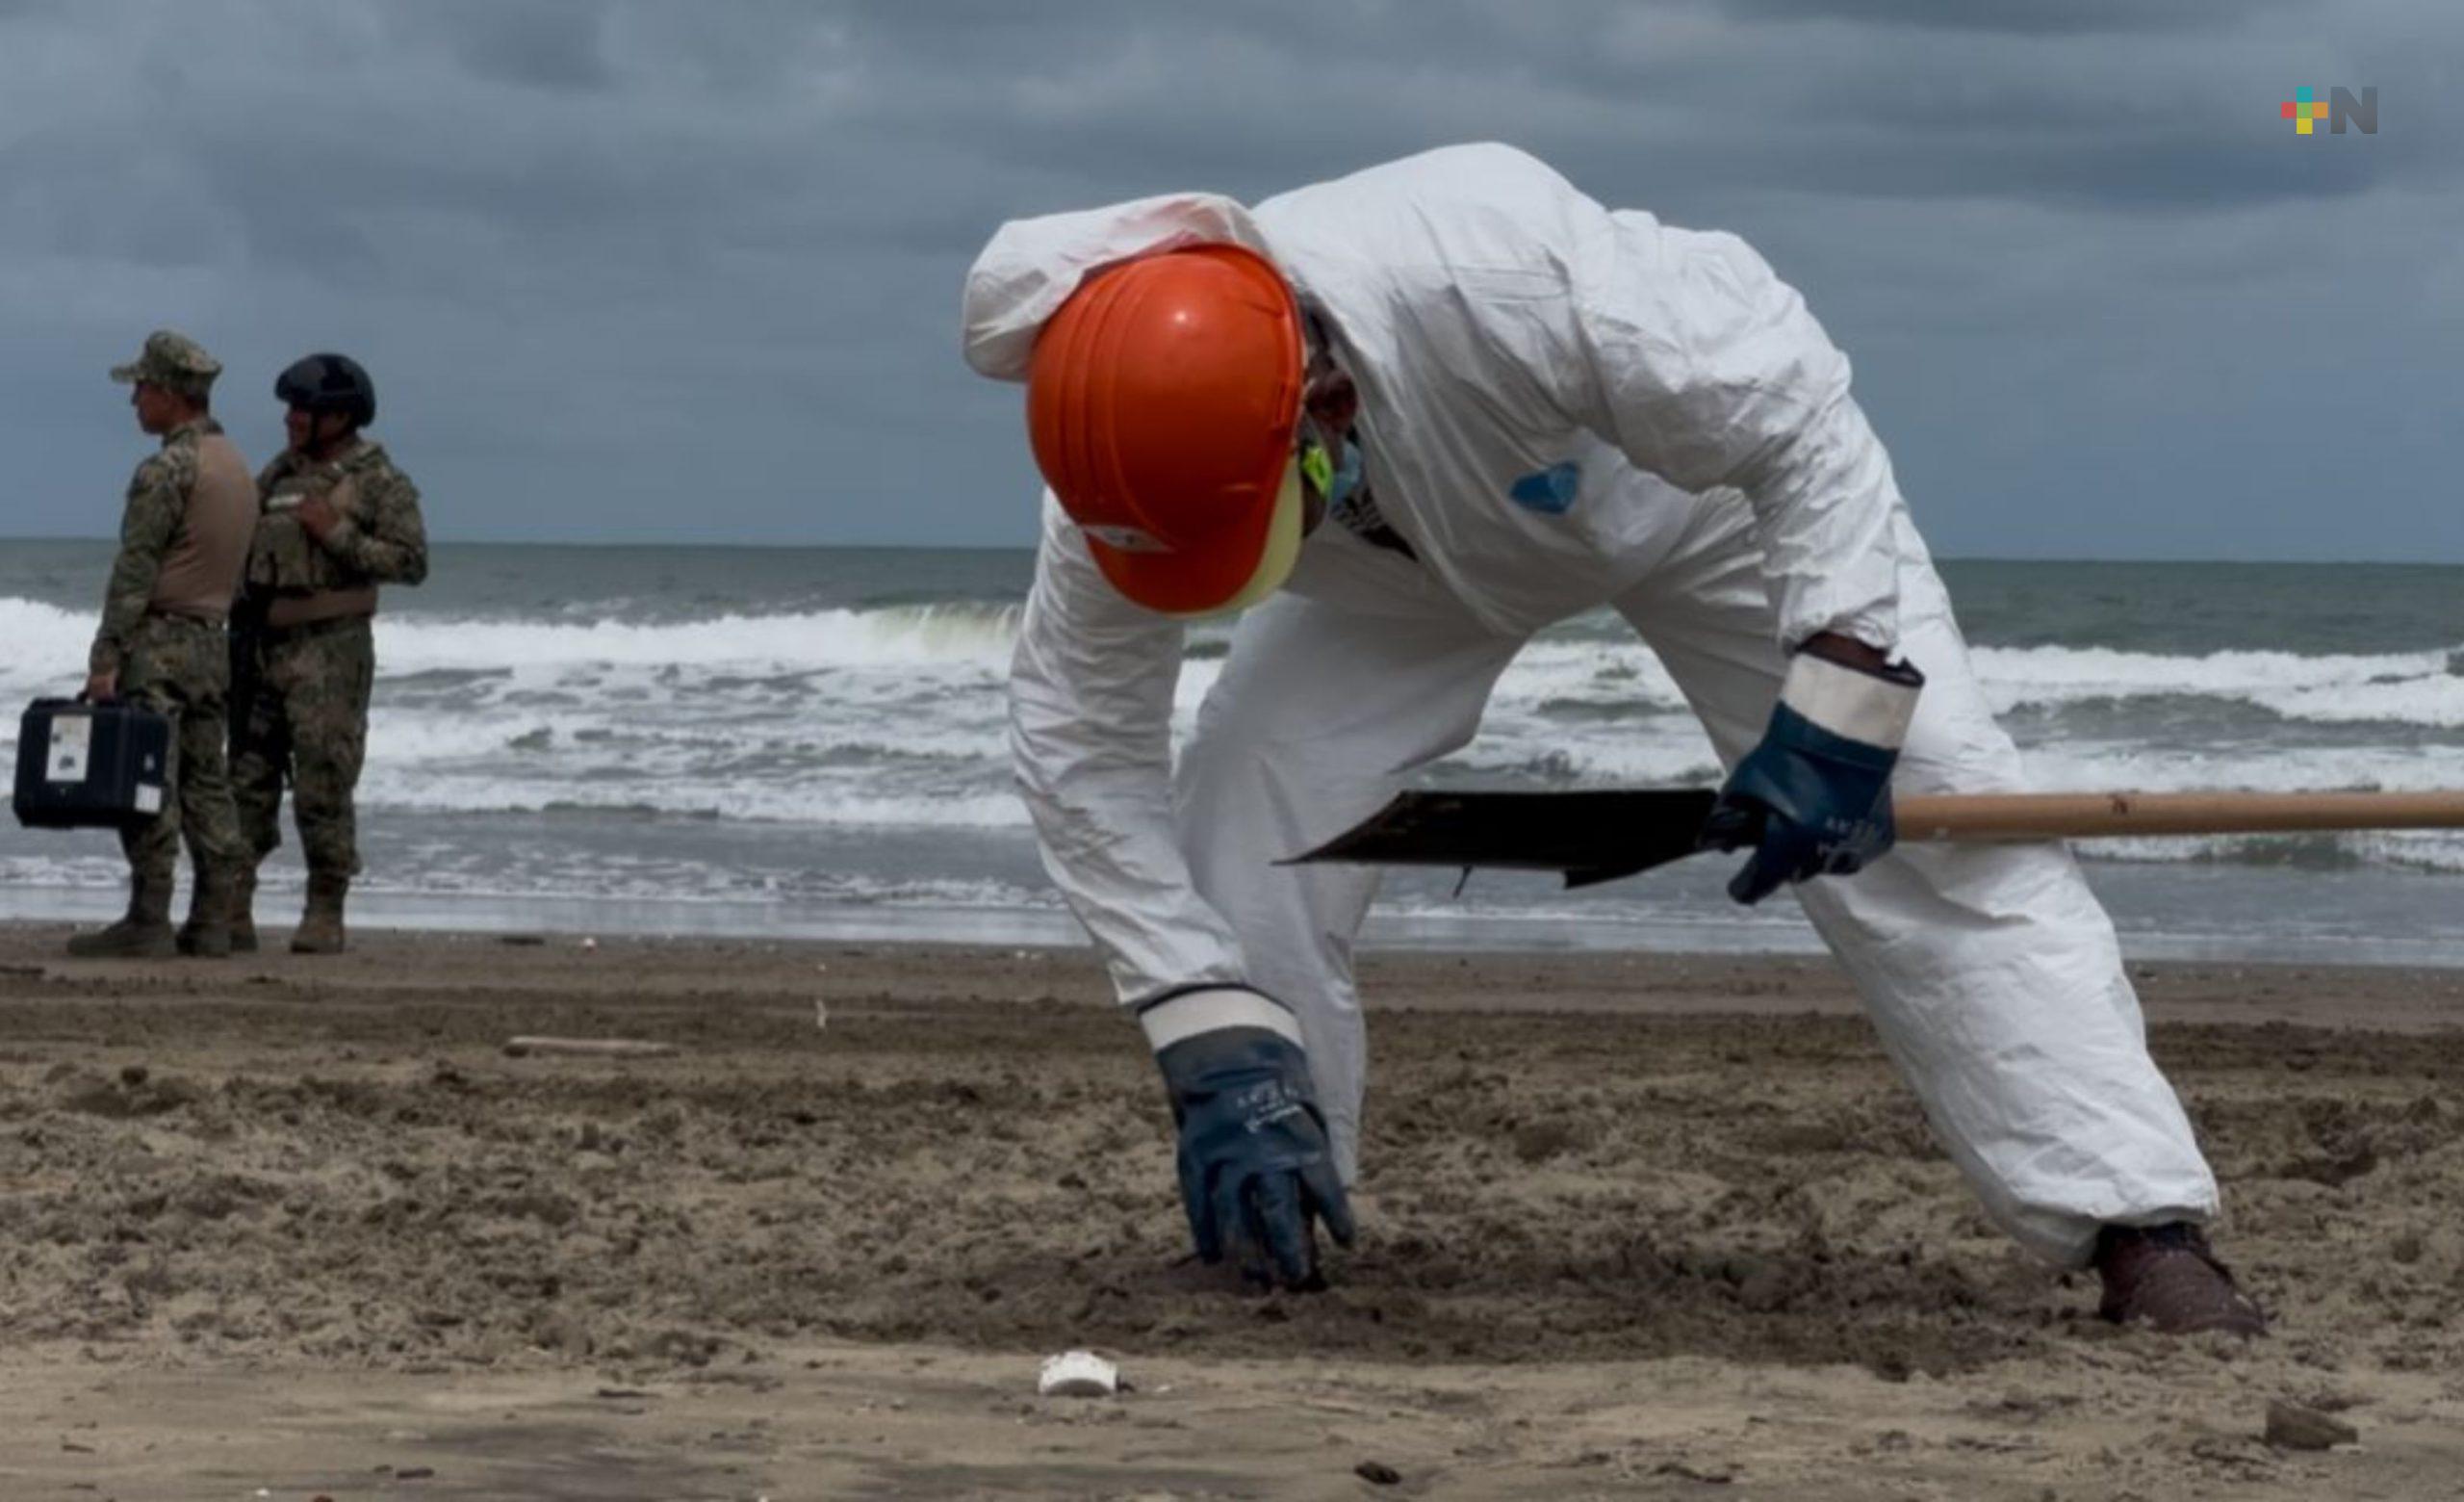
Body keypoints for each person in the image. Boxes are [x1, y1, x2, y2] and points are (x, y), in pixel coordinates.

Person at [961, 143, 2265, 1334]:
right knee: (1245, 810)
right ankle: (1277, 1209)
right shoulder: (1124, 452)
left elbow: (1796, 418)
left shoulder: (1499, 266)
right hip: (1394, 577)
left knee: (1935, 808)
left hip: (1688, 509)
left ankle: (2139, 1226)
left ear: (1328, 401)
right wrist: (1199, 1021)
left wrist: (1844, 702)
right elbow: (1079, 743)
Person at [226, 353, 428, 953]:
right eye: (289, 409)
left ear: (339, 416)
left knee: (322, 782)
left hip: (330, 650)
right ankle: (232, 905)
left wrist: (334, 533)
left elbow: (411, 562)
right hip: (262, 647)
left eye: (302, 410)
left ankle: (324, 908)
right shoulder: (278, 475)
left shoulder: (377, 480)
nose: (289, 420)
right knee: (247, 779)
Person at [66, 331, 256, 959]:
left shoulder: (168, 469)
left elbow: (136, 569)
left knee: (146, 781)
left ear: (173, 394)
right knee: (208, 782)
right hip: (211, 642)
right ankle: (214, 920)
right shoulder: (235, 465)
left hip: (162, 642)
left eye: (142, 389)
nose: (135, 403)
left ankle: (148, 918)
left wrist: (105, 657)